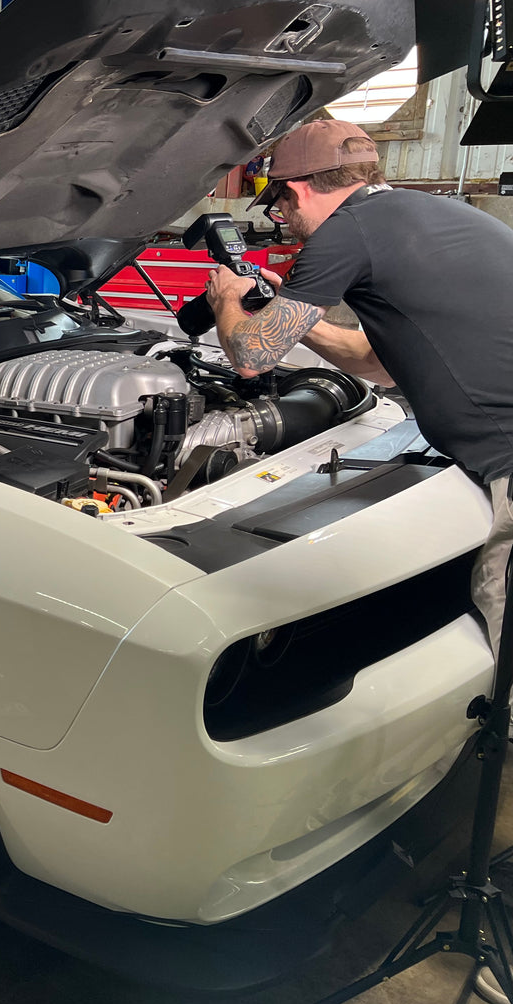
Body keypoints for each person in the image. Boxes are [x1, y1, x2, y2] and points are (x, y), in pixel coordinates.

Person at [204, 119, 513, 665]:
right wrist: (296, 318)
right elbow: (377, 364)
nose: (284, 220)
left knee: (503, 603)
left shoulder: (345, 231)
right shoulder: (430, 213)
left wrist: (226, 299)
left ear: (297, 189)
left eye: (279, 206)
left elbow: (251, 358)